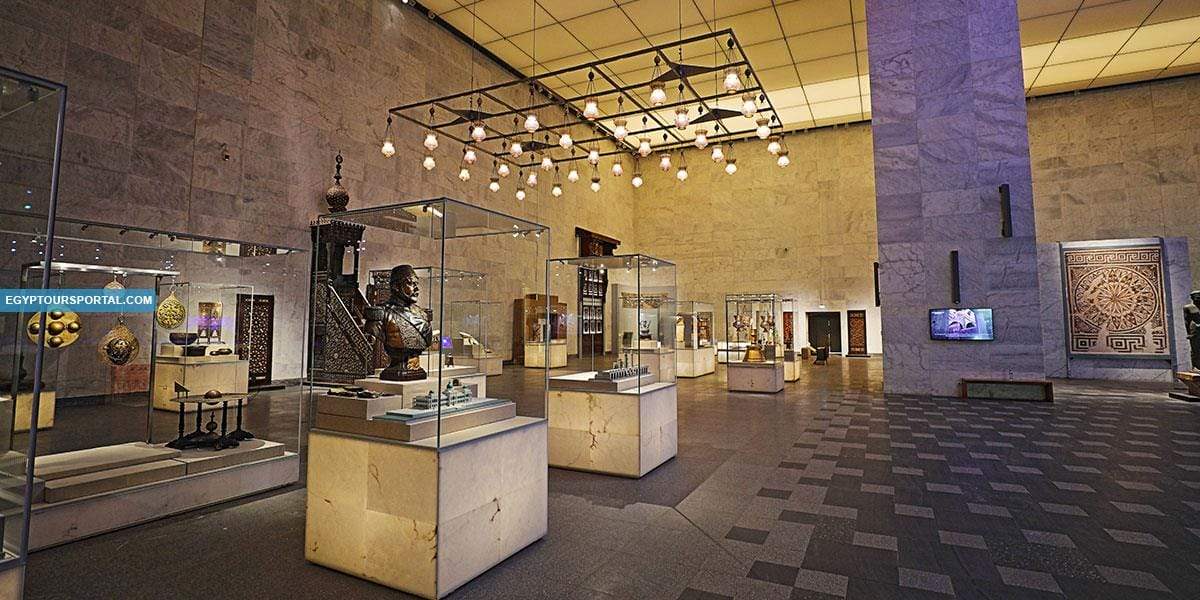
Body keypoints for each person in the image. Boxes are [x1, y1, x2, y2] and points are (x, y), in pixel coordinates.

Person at [363, 265, 433, 381]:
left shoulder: (423, 314)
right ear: (396, 286)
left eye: (416, 284)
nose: (416, 289)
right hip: (396, 370)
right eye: (410, 283)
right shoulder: (382, 314)